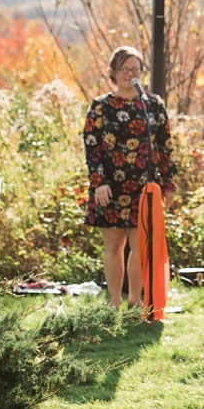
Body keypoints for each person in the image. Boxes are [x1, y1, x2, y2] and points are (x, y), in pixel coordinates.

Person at [83, 45, 175, 308]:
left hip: (143, 186)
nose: (129, 74)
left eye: (135, 69)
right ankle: (114, 302)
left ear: (141, 72)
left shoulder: (153, 105)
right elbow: (92, 147)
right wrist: (98, 182)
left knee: (140, 246)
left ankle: (136, 301)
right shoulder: (100, 107)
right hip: (109, 188)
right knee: (113, 247)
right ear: (113, 72)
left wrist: (168, 184)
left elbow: (165, 146)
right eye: (124, 69)